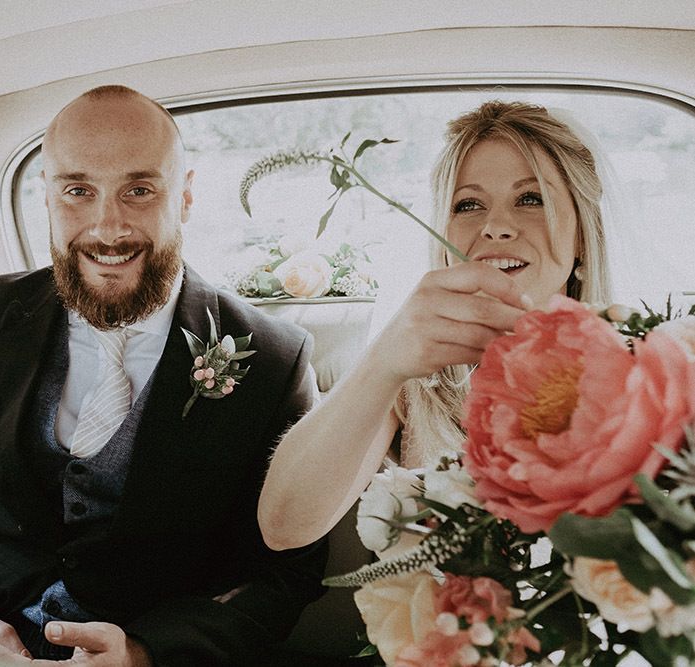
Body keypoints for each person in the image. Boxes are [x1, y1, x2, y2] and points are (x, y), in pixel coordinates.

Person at [0, 85, 327, 666]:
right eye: (78, 191)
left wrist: (144, 652)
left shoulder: (275, 359)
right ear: (49, 197)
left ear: (183, 196)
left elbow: (284, 573)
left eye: (138, 190)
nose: (108, 228)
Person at [258, 100, 612, 551]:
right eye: (468, 204)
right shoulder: (414, 381)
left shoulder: (643, 370)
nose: (496, 226)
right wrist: (384, 362)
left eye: (530, 199)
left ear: (582, 234)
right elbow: (284, 528)